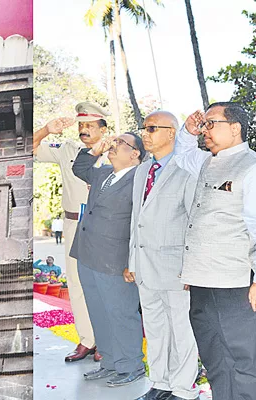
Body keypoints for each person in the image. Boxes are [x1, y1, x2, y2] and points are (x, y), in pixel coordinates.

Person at [175, 102, 256, 400]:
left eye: (212, 124)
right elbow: (181, 155)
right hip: (202, 278)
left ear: (235, 128)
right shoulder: (208, 162)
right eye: (204, 125)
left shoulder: (254, 170)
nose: (205, 131)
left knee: (241, 358)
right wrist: (187, 130)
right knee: (213, 353)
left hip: (234, 281)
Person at [129, 111, 199, 400]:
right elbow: (137, 218)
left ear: (171, 133)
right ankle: (160, 383)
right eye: (144, 128)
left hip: (176, 267)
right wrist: (132, 261)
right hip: (145, 267)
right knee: (156, 329)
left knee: (181, 330)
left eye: (152, 128)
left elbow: (194, 221)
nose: (145, 134)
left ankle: (183, 389)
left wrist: (192, 268)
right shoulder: (144, 170)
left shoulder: (188, 169)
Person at [33, 101, 109, 362]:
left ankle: (107, 341)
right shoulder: (67, 149)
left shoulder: (115, 151)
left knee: (104, 283)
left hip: (103, 225)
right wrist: (46, 130)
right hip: (73, 223)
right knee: (76, 283)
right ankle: (87, 340)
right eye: (81, 125)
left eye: (90, 125)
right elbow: (29, 149)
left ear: (103, 128)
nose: (84, 130)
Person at [70, 132, 147, 387]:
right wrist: (95, 150)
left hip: (116, 259)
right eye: (113, 144)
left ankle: (131, 365)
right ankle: (110, 362)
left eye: (120, 144)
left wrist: (133, 261)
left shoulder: (141, 178)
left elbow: (141, 223)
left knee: (121, 313)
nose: (113, 147)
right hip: (87, 253)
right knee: (99, 311)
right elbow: (79, 167)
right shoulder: (102, 172)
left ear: (135, 153)